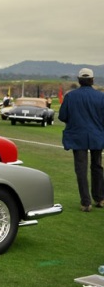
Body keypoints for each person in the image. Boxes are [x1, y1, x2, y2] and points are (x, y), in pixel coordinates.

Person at [58, 68, 104, 212]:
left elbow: (62, 116)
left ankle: (86, 202)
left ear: (79, 80)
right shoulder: (100, 97)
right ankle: (100, 198)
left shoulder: (70, 97)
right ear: (92, 80)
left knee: (81, 169)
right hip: (97, 136)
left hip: (78, 137)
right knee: (97, 167)